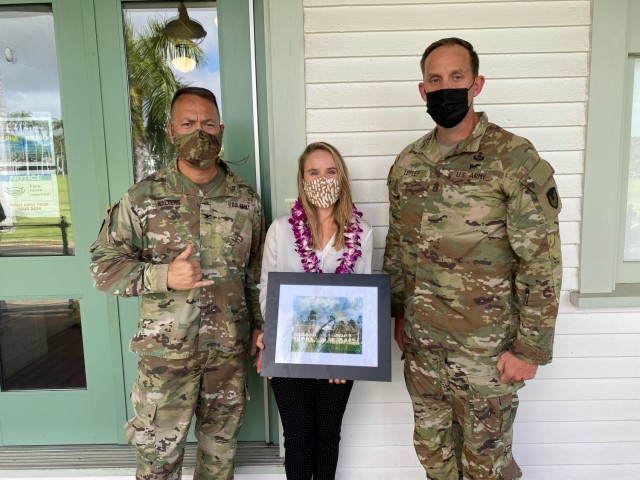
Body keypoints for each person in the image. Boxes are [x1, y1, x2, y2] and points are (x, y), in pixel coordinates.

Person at [383, 38, 562, 480]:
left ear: (476, 84)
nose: (446, 88)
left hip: (486, 352)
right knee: (434, 458)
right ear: (422, 90)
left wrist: (531, 348)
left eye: (456, 78)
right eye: (436, 80)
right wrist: (397, 313)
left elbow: (540, 260)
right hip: (424, 350)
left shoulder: (514, 159)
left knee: (486, 465)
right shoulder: (408, 164)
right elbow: (398, 247)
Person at [90, 87, 265, 480]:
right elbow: (103, 266)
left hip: (227, 356)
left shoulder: (246, 200)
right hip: (166, 359)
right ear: (171, 132)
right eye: (188, 124)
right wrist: (163, 275)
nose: (199, 133)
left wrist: (261, 326)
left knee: (218, 463)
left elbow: (256, 274)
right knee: (157, 465)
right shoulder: (143, 197)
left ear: (221, 130)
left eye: (207, 124)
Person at [254, 141, 373, 480]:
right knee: (299, 438)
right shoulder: (281, 230)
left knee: (327, 438)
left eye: (331, 171)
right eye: (314, 172)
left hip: (339, 353)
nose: (323, 179)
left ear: (342, 178)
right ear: (303, 180)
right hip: (290, 351)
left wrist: (344, 357)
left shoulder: (360, 234)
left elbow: (362, 296)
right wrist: (276, 338)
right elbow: (267, 288)